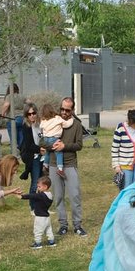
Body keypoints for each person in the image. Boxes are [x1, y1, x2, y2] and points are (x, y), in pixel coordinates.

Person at [50, 97, 88, 237]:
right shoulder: (53, 121)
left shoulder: (77, 125)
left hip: (70, 163)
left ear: (72, 110)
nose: (64, 112)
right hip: (54, 164)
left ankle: (77, 225)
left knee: (75, 195)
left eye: (67, 110)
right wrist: (48, 146)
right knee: (58, 196)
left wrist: (65, 146)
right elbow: (45, 140)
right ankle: (63, 225)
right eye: (62, 109)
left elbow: (79, 145)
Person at [110, 109, 135, 189]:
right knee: (126, 189)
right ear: (131, 122)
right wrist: (116, 165)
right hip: (125, 165)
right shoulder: (120, 128)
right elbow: (115, 148)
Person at [39, 102, 73, 179]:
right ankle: (60, 169)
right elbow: (67, 124)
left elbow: (41, 127)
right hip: (54, 138)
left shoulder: (43, 121)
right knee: (59, 152)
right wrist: (71, 119)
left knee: (48, 152)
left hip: (46, 139)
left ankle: (45, 165)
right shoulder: (57, 118)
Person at [21, 176, 56, 249]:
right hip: (47, 217)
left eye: (39, 187)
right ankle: (52, 242)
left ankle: (38, 243)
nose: (38, 188)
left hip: (40, 217)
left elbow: (32, 196)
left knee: (37, 230)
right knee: (49, 230)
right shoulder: (49, 195)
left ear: (45, 186)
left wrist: (22, 196)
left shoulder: (41, 196)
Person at [18, 103, 44, 195]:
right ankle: (33, 207)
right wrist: (40, 149)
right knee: (35, 183)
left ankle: (40, 205)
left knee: (43, 182)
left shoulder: (41, 124)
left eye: (34, 113)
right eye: (29, 114)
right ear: (26, 115)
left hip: (44, 156)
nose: (32, 116)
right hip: (34, 157)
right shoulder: (26, 126)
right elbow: (29, 145)